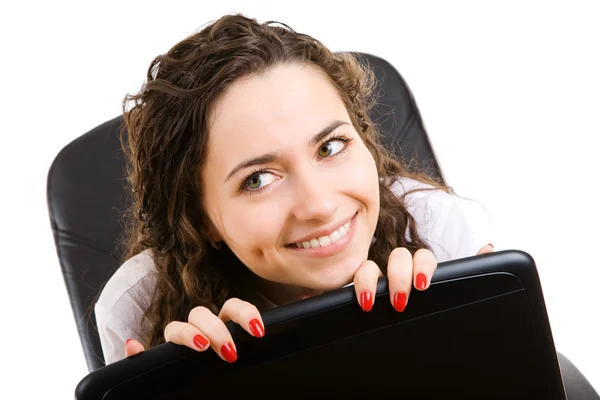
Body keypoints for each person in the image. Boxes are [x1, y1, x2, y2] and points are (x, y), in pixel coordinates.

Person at [94, 13, 493, 366]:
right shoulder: (139, 309)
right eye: (258, 179)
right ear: (201, 220)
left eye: (330, 147)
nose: (319, 205)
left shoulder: (435, 234)